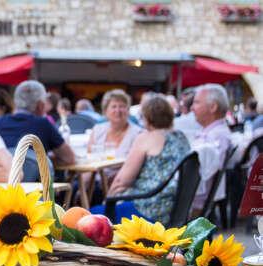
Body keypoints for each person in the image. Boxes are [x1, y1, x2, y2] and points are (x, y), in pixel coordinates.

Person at [93, 95, 190, 224]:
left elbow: (122, 182)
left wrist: (108, 201)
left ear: (147, 118)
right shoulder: (181, 137)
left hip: (147, 211)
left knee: (90, 216)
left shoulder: (146, 138)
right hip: (176, 211)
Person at [0, 80, 75, 166]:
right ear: (40, 105)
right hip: (35, 179)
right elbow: (68, 159)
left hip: (3, 178)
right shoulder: (43, 124)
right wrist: (39, 161)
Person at [191, 83, 231, 215]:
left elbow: (203, 175)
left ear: (213, 107)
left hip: (191, 204)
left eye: (196, 102)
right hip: (191, 201)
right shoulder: (211, 132)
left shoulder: (217, 135)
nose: (192, 108)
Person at [87, 89, 143, 160]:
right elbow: (89, 158)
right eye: (114, 106)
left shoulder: (138, 134)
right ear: (105, 111)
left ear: (128, 110)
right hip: (98, 170)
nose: (118, 110)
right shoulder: (97, 130)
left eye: (122, 106)